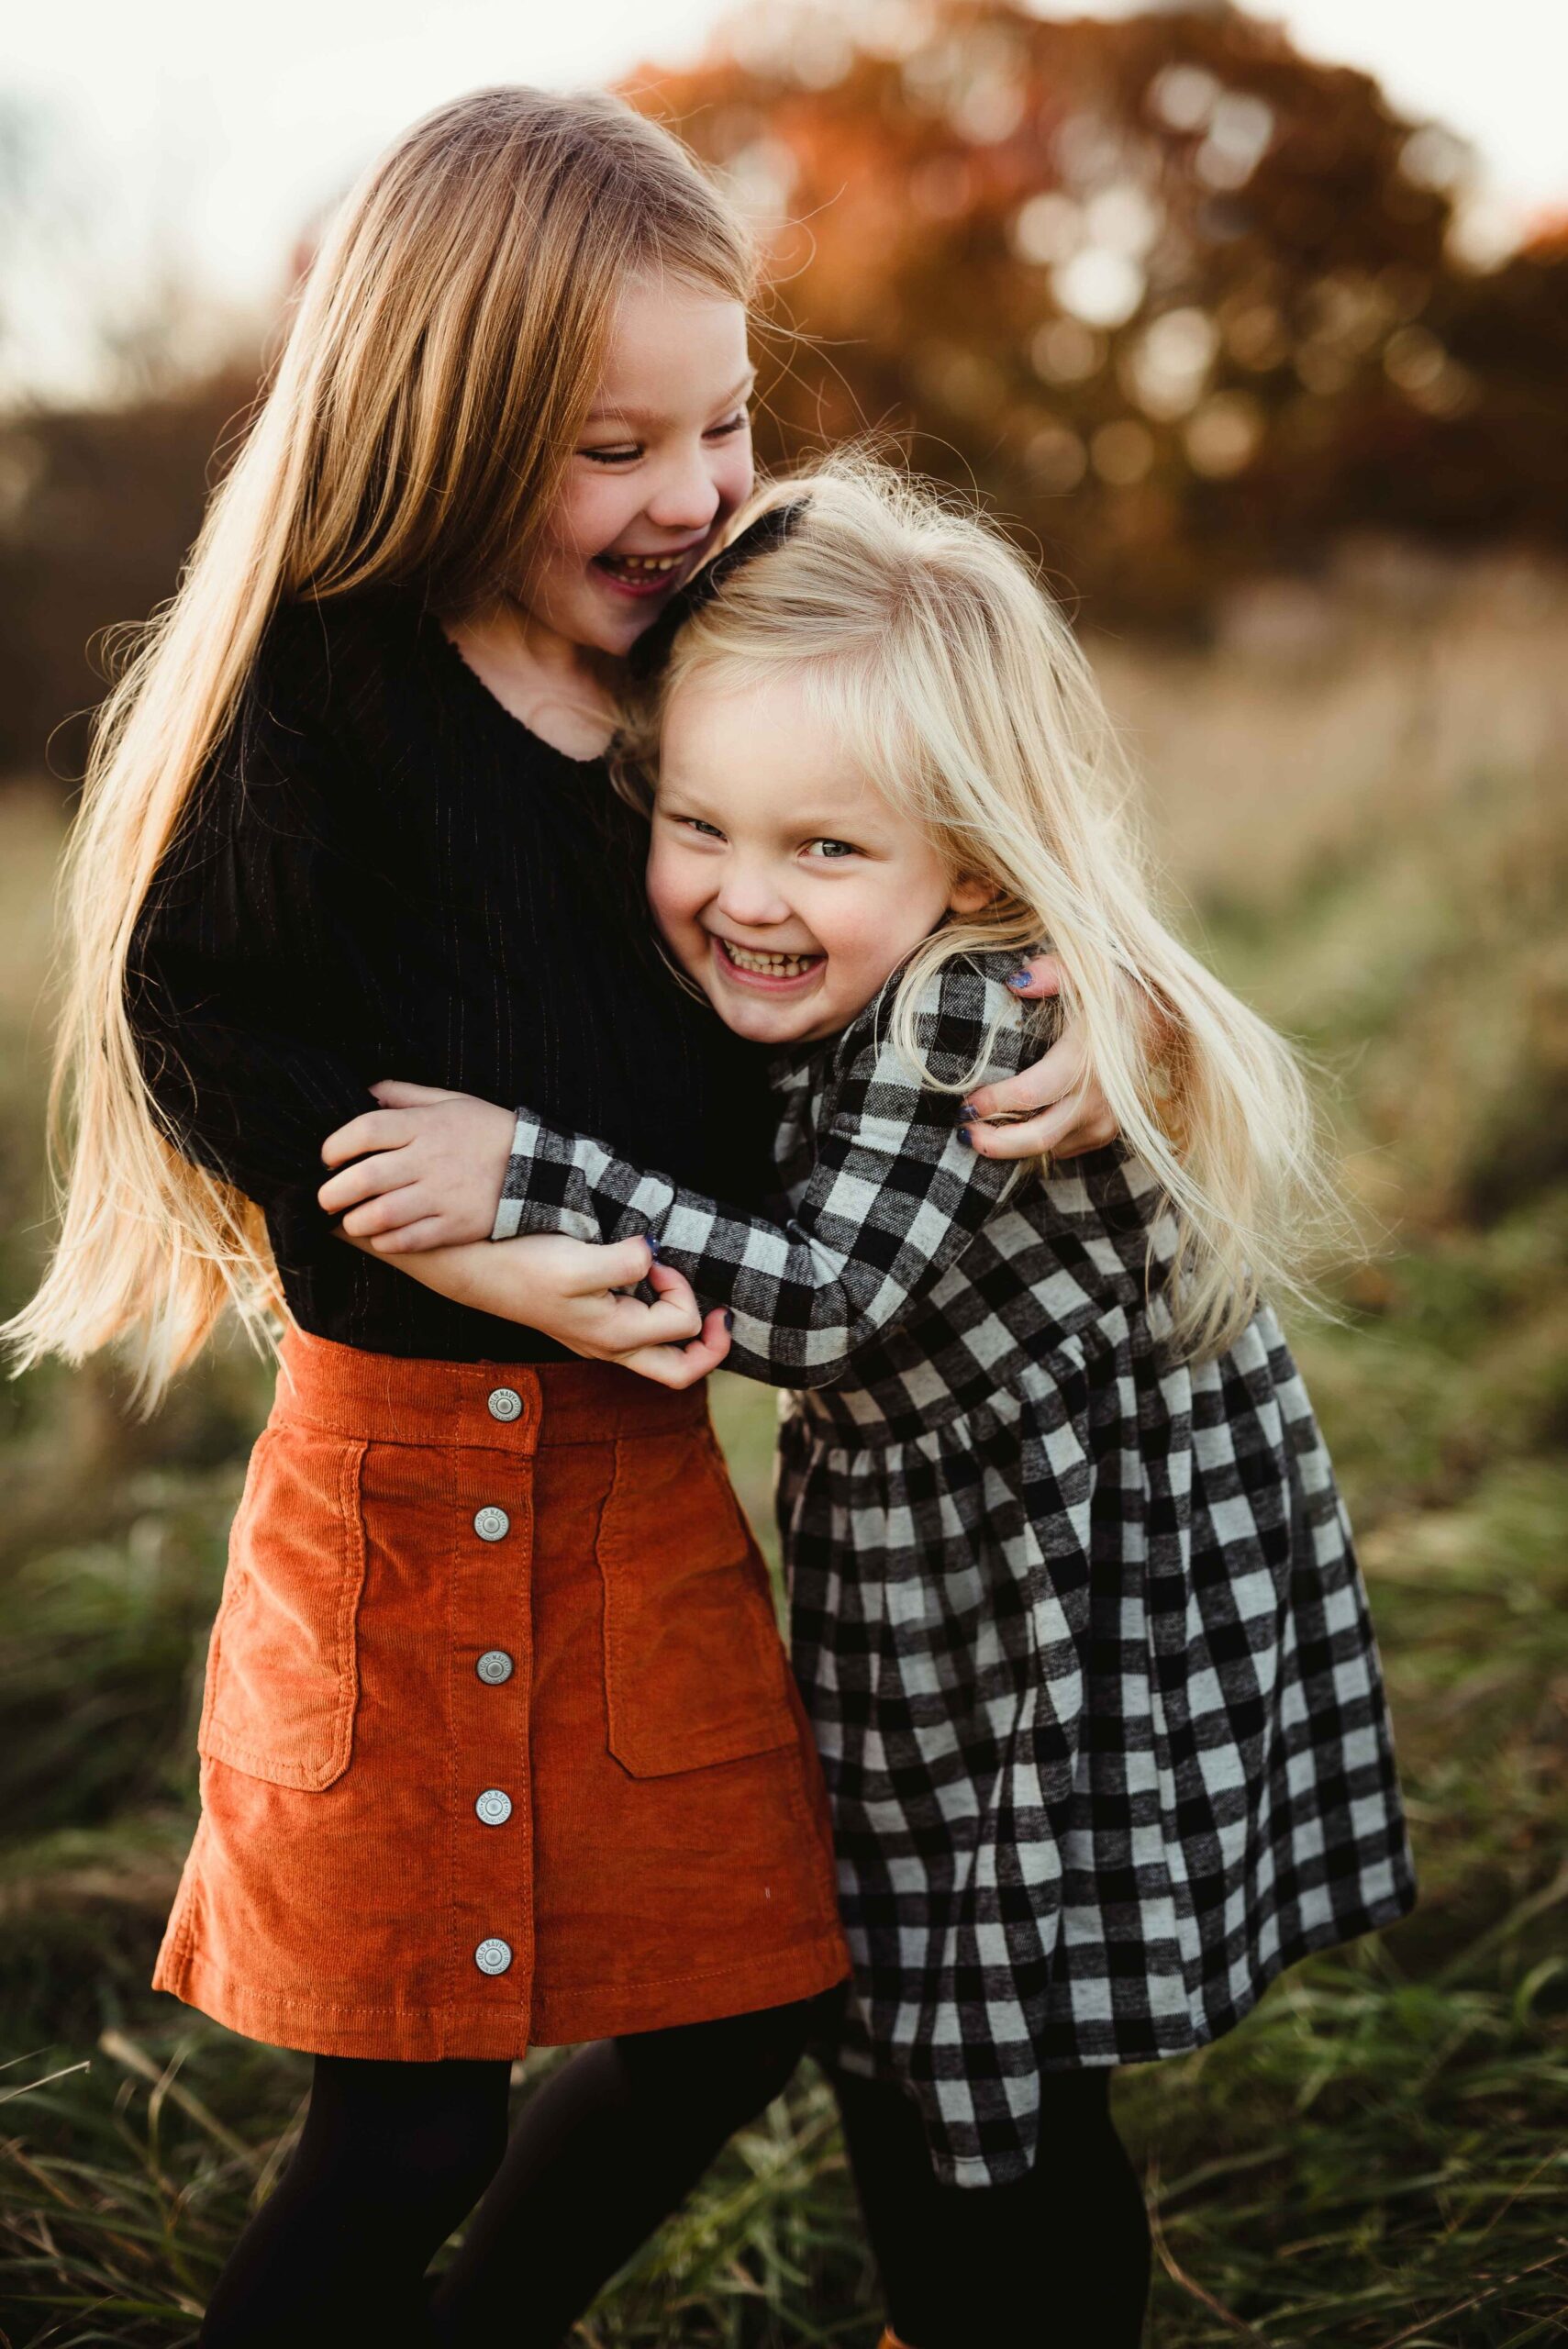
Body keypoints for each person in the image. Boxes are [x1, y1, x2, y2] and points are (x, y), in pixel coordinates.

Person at [6, 95, 1114, 2348]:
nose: (693, 491)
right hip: (399, 1506)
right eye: (615, 444)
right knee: (403, 2120)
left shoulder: (717, 645)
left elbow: (947, 834)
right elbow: (182, 1002)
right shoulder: (329, 700)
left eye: (722, 419)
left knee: (738, 2001)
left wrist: (1099, 1002)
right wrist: (461, 1248)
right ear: (447, 420)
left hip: (635, 1493)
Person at [325, 460, 1419, 2348]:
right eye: (703, 825)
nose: (747, 895)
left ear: (975, 867)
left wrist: (528, 1169)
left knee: (995, 2050)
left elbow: (820, 1301)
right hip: (931, 1587)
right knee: (909, 2024)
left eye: (826, 849)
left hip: (1066, 1609)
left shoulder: (976, 1009)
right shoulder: (820, 957)